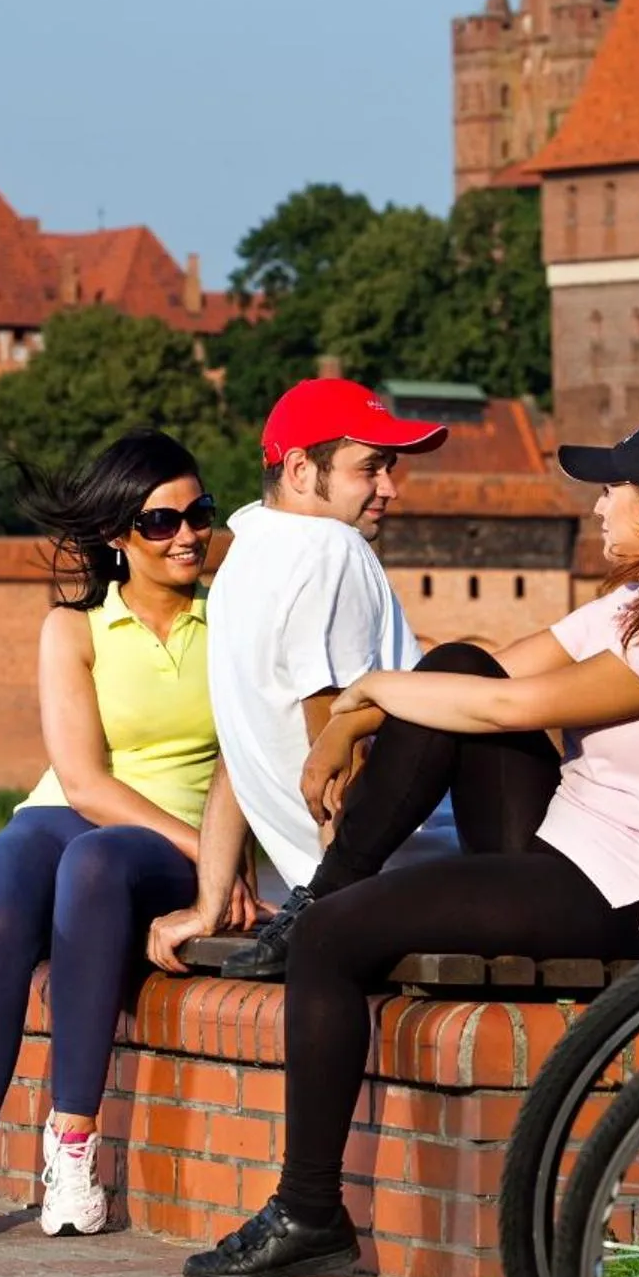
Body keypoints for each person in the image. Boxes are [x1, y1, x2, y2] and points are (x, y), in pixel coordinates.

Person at [172, 418, 639, 1277]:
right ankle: (328, 889)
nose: (598, 507)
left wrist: (365, 691)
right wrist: (352, 724)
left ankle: (309, 1212)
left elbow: (511, 711)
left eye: (611, 492)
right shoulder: (638, 605)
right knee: (458, 662)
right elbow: (492, 673)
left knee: (331, 935)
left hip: (624, 898)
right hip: (565, 854)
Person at [0, 430, 250, 1239]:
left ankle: (71, 1150)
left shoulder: (235, 622)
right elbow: (84, 783)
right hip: (77, 816)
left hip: (158, 846)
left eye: (199, 513)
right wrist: (208, 855)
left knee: (95, 862)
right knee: (3, 890)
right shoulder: (74, 628)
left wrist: (217, 858)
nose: (188, 535)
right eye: (161, 521)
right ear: (115, 535)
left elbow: (254, 758)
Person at [144, 378, 458, 982]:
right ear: (298, 469)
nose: (390, 488)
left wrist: (210, 904)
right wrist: (340, 921)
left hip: (345, 882)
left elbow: (238, 749)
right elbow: (338, 760)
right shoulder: (330, 549)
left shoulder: (237, 564)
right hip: (419, 875)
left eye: (389, 468)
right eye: (369, 469)